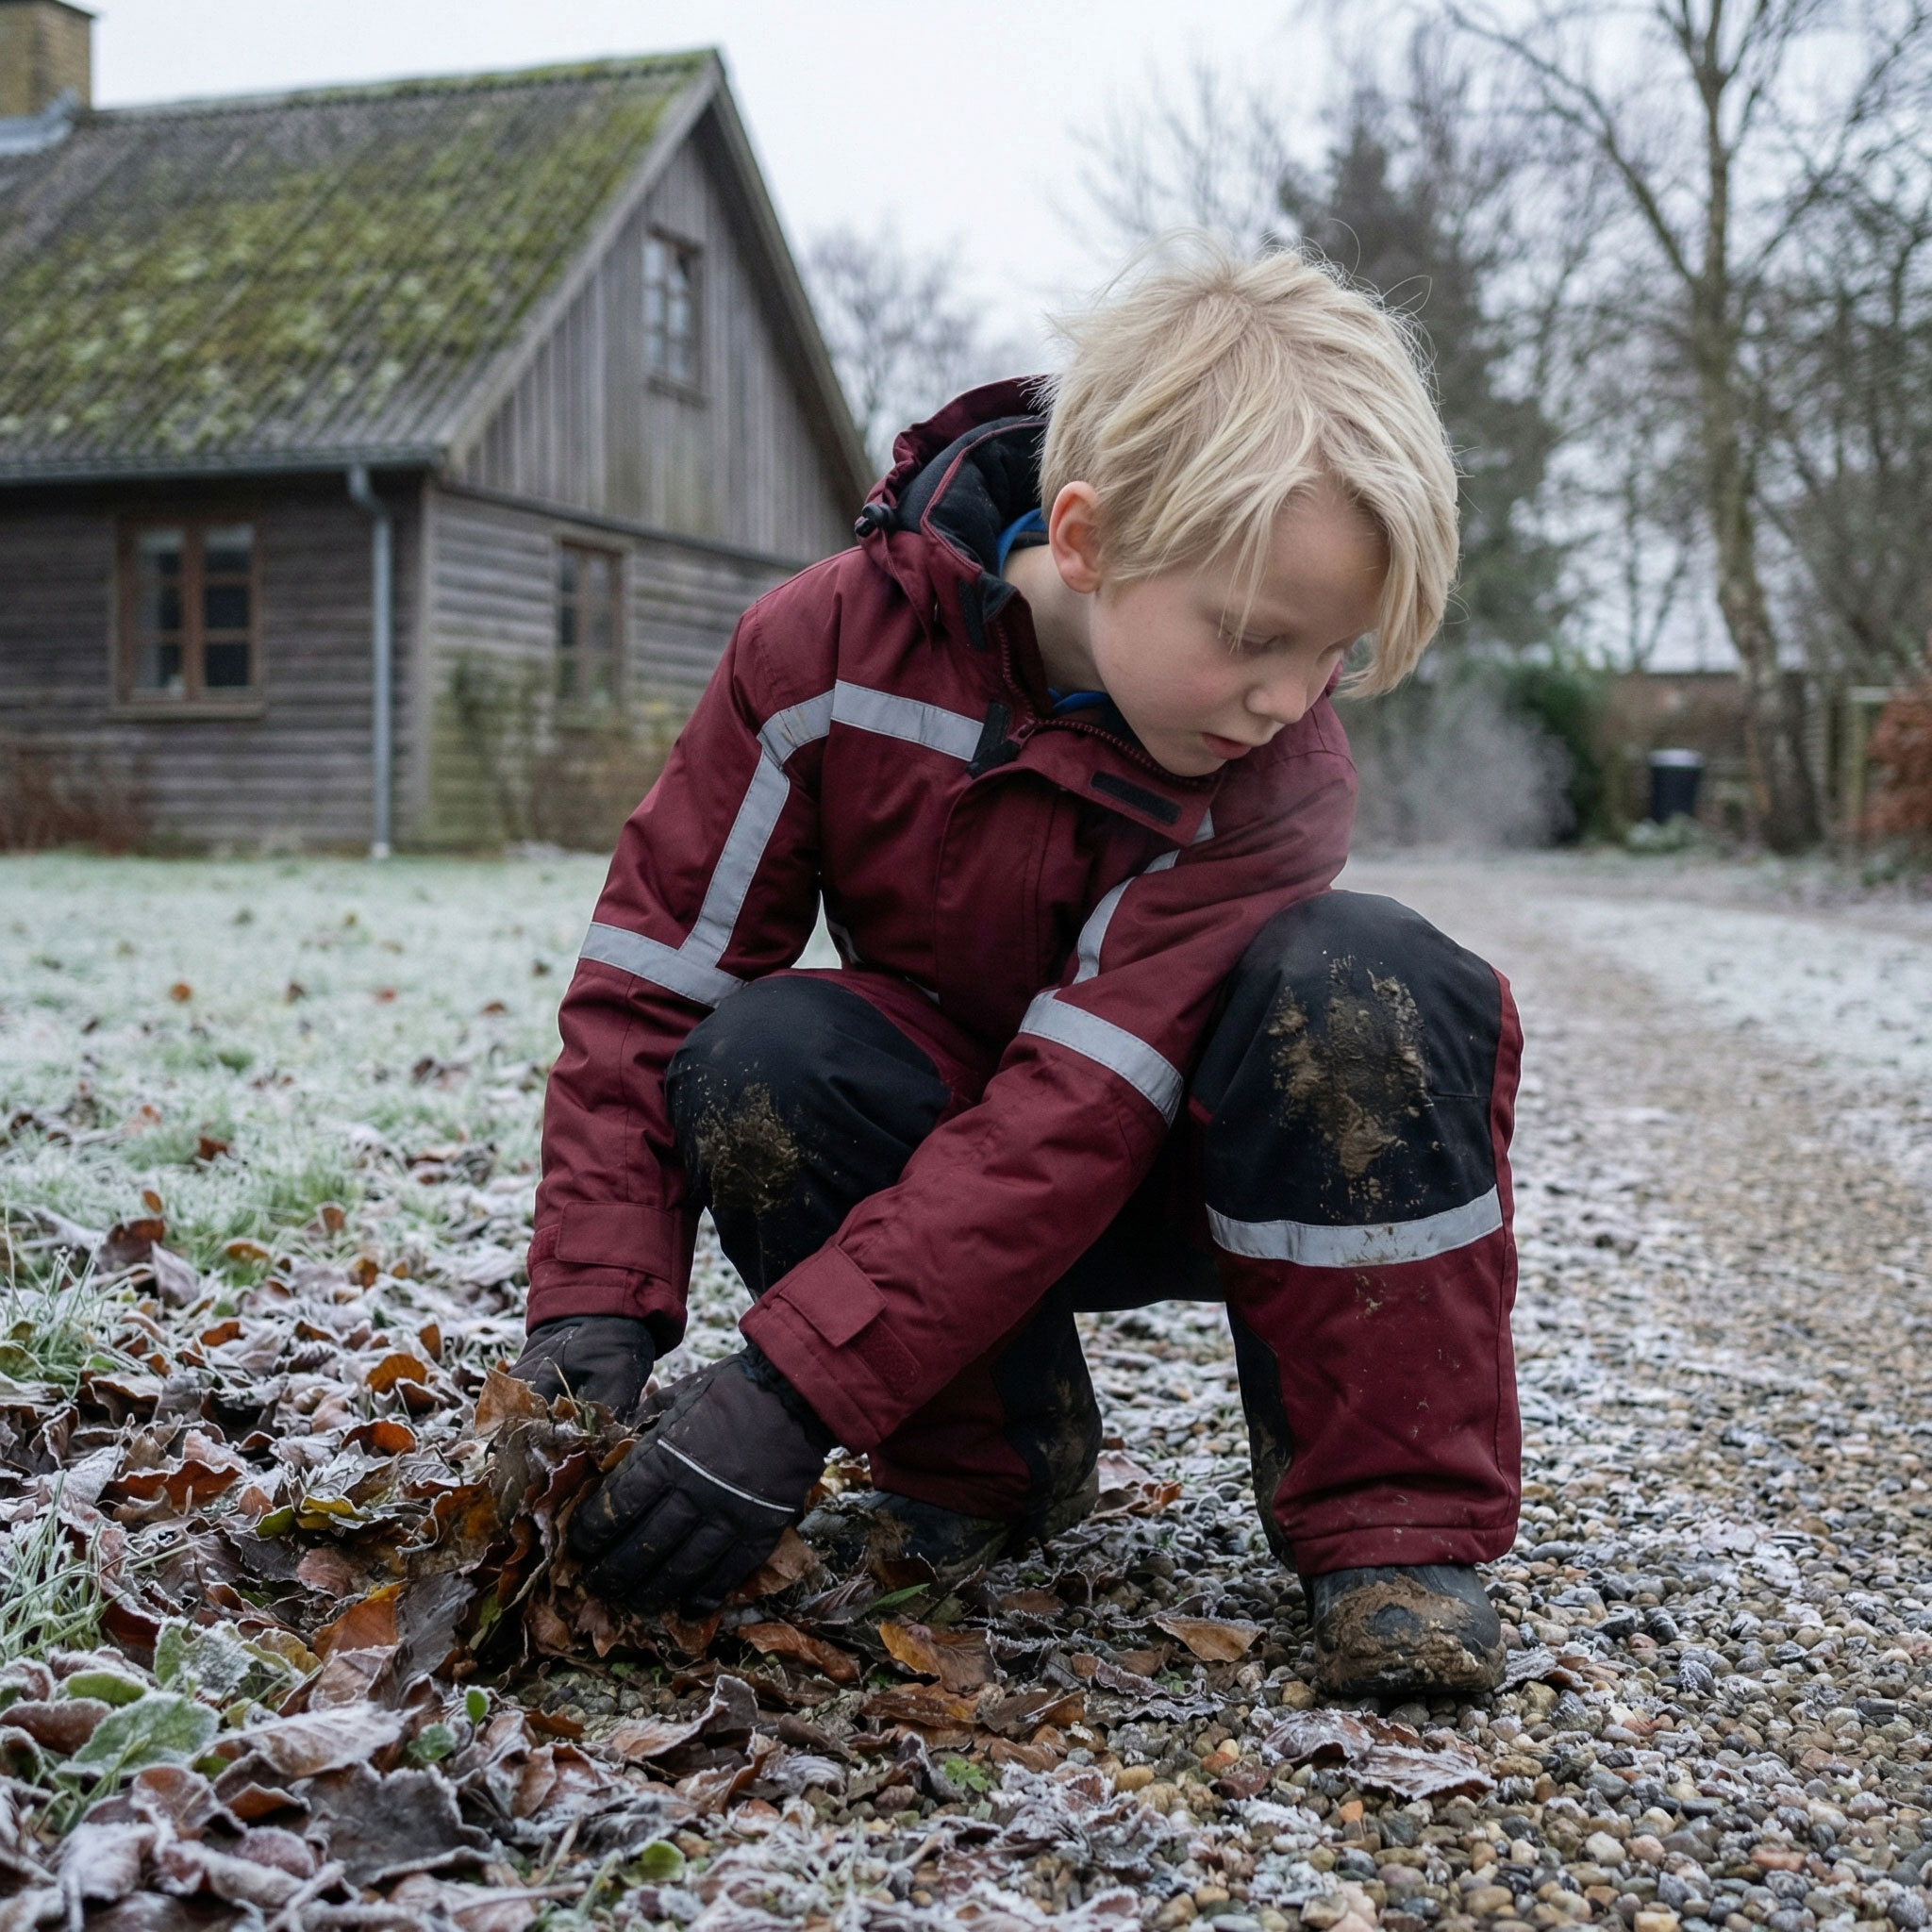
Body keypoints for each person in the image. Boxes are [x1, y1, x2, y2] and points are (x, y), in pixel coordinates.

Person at [506, 238, 1523, 1703]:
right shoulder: (822, 653)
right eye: (1252, 637)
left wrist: (789, 1391)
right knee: (762, 1056)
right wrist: (590, 1311)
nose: (1287, 698)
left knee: (1367, 975)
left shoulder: (1277, 775)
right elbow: (653, 984)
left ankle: (1392, 1524)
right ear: (1090, 538)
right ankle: (984, 1460)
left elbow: (1078, 1111)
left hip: (1201, 1171)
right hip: (953, 1153)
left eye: (1332, 655)